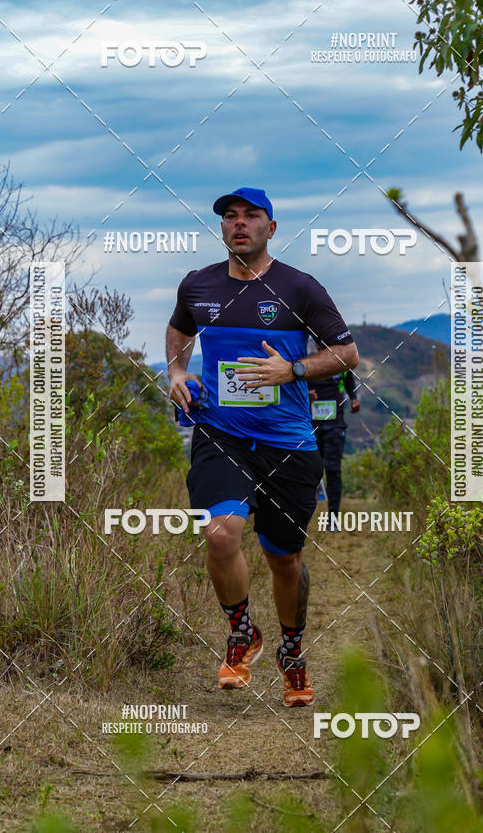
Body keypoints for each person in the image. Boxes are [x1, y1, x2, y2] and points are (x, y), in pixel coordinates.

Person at [166, 187, 358, 707]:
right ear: (222, 228)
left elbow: (347, 354)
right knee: (220, 533)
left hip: (288, 443)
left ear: (271, 228)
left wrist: (292, 369)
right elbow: (179, 330)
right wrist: (177, 371)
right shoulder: (199, 284)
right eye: (230, 216)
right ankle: (242, 632)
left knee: (284, 560)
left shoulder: (300, 288)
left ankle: (291, 652)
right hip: (221, 433)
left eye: (251, 216)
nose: (239, 223)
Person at [308, 341, 361, 528]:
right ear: (315, 345)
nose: (321, 345)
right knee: (310, 472)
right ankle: (305, 516)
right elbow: (294, 391)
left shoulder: (341, 364)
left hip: (335, 425)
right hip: (310, 428)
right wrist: (306, 396)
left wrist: (354, 398)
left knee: (333, 470)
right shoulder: (307, 363)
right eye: (318, 343)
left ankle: (333, 519)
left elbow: (349, 380)